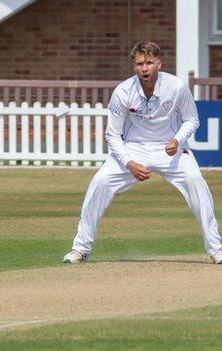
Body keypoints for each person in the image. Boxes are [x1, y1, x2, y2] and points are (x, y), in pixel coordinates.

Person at [63, 41, 222, 264]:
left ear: (159, 63)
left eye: (149, 63)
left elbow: (192, 120)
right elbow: (112, 135)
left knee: (195, 180)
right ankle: (80, 249)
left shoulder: (176, 87)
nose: (144, 68)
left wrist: (177, 139)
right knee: (99, 182)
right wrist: (129, 163)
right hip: (134, 147)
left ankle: (216, 249)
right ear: (134, 66)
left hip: (170, 148)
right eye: (139, 64)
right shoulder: (123, 91)